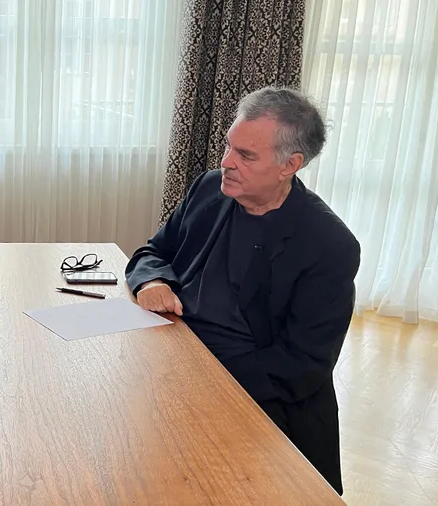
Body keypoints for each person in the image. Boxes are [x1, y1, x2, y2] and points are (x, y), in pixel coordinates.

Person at [126, 87, 359, 494]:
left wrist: (202, 381)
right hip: (170, 355)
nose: (226, 162)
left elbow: (302, 365)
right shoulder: (208, 188)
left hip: (250, 394)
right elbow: (153, 251)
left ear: (291, 165)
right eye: (228, 146)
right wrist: (152, 281)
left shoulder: (329, 244)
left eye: (246, 156)